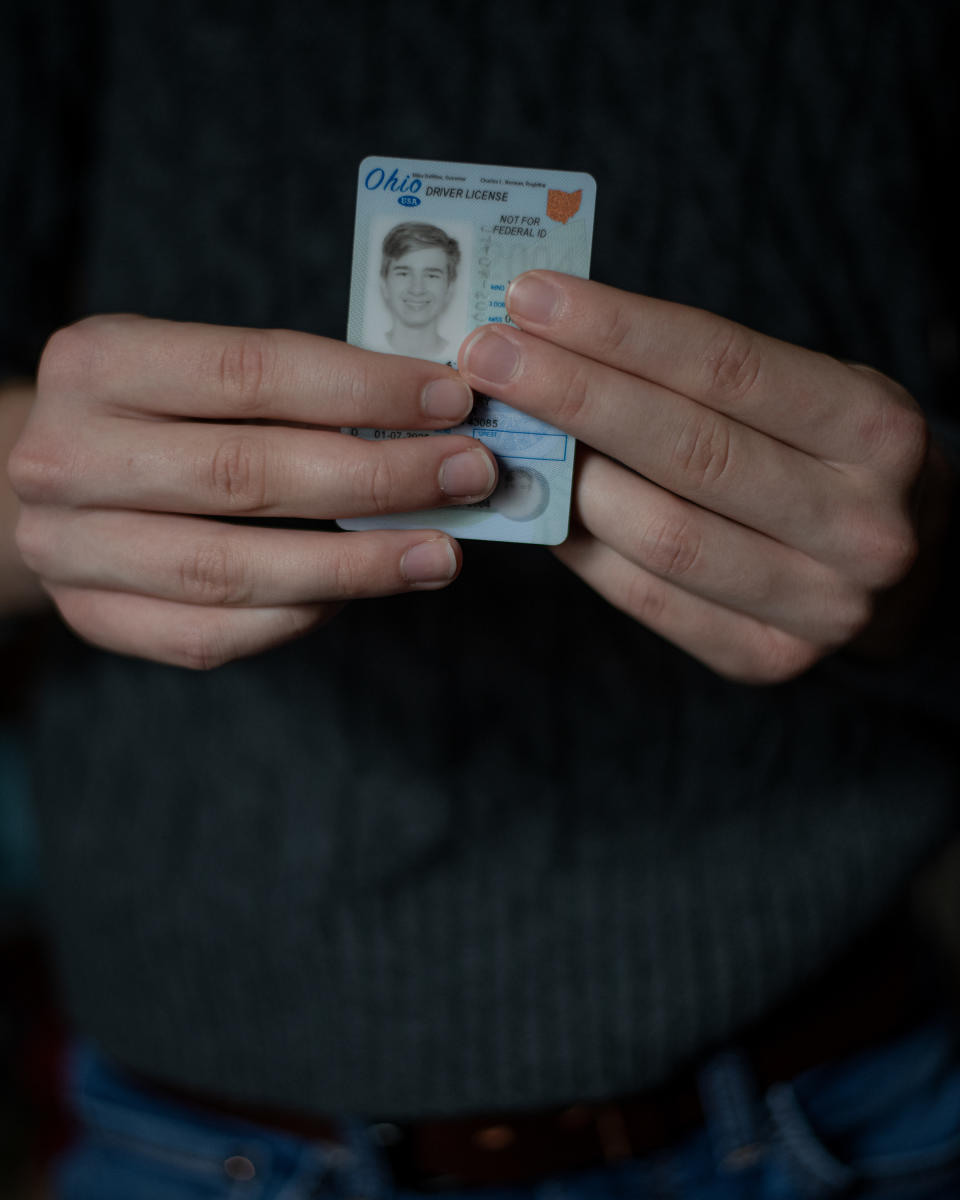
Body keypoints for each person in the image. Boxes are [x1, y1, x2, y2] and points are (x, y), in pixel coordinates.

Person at [2, 2, 959, 1197]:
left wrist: (931, 560)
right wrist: (24, 484)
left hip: (840, 1097)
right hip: (190, 1127)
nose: (411, 276)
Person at [379, 223, 461, 360]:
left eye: (431, 276)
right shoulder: (361, 350)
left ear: (449, 288)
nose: (417, 289)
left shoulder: (461, 359)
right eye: (404, 274)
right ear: (384, 285)